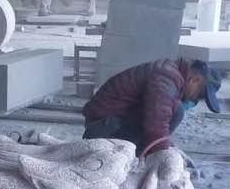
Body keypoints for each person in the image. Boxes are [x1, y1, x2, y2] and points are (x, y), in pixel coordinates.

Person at [83, 58, 223, 154]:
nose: (194, 100)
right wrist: (163, 154)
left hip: (111, 122)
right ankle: (139, 156)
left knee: (172, 112)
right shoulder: (167, 76)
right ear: (195, 80)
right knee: (177, 110)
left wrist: (166, 145)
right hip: (102, 129)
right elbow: (157, 122)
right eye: (199, 95)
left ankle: (142, 154)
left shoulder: (171, 72)